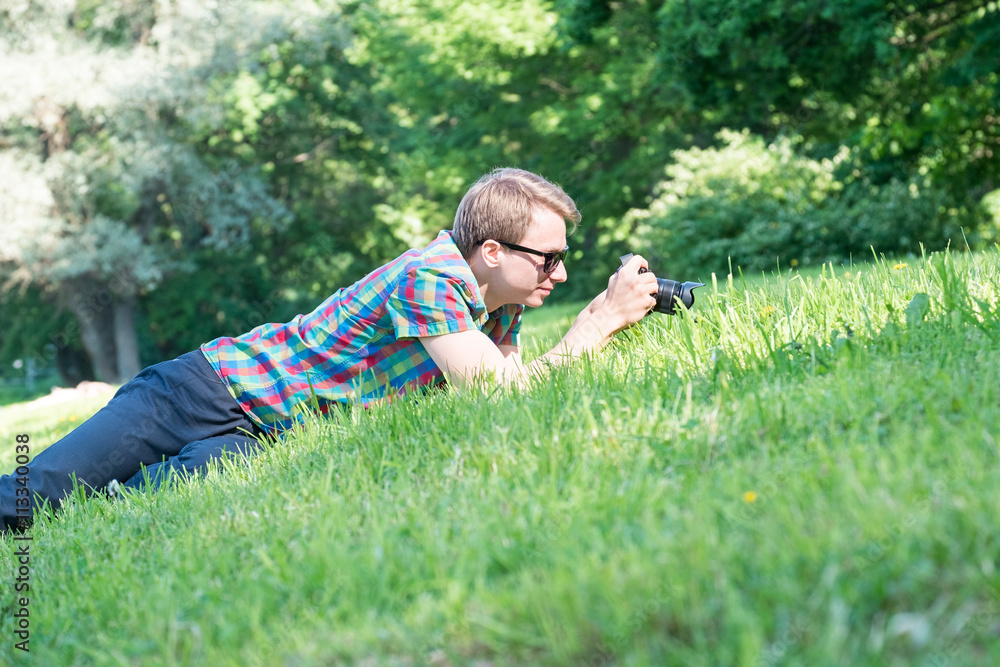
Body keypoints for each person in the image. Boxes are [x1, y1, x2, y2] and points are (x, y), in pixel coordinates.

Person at [0, 167, 657, 533]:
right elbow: (499, 391)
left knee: (113, 511)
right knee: (32, 495)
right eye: (549, 259)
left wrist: (603, 322)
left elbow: (515, 405)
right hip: (200, 389)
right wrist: (595, 324)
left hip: (255, 438)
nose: (560, 275)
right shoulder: (431, 276)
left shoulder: (499, 305)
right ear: (492, 252)